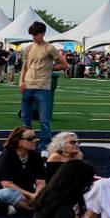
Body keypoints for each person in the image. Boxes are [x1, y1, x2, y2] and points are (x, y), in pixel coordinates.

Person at [18, 21, 67, 152]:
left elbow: (64, 65)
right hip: (27, 86)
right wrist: (20, 82)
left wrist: (49, 67)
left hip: (42, 87)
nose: (33, 37)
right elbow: (24, 67)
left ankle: (45, 145)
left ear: (43, 33)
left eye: (35, 34)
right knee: (25, 118)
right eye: (32, 35)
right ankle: (26, 142)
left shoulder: (49, 48)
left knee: (44, 119)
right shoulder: (28, 48)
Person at [0, 126, 45, 215]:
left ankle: (14, 207)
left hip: (27, 194)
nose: (34, 140)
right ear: (19, 142)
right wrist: (30, 195)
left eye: (35, 137)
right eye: (30, 138)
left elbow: (40, 181)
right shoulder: (6, 157)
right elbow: (7, 184)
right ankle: (35, 211)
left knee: (49, 193)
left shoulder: (36, 157)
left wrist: (37, 194)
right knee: (10, 194)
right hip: (0, 192)